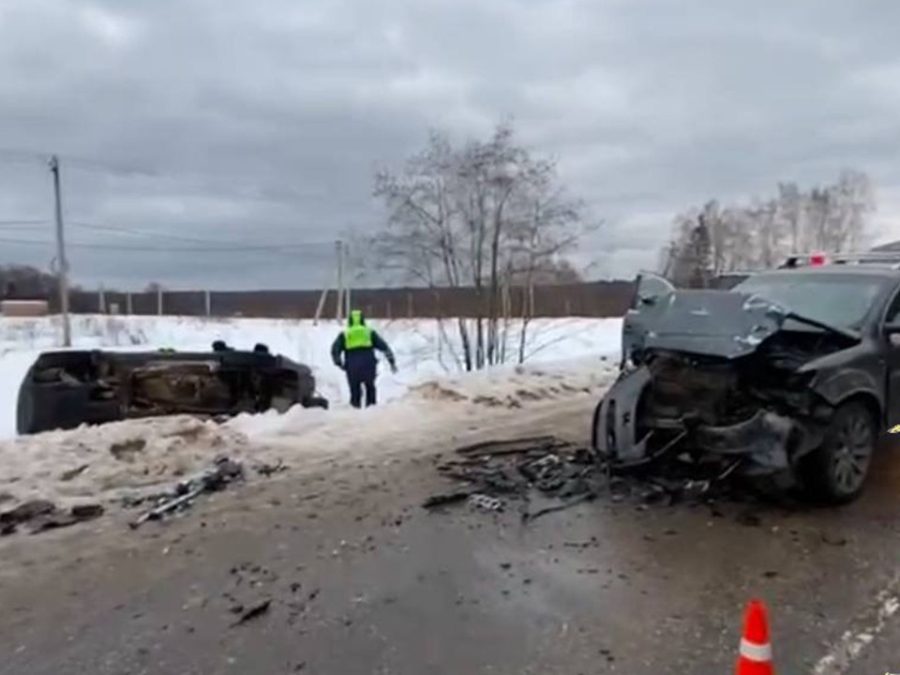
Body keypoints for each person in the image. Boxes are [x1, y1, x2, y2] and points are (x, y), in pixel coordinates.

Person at [331, 309, 397, 408]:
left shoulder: (345, 334)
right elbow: (384, 347)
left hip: (352, 366)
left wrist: (339, 363)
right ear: (362, 320)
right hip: (369, 365)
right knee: (370, 388)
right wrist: (391, 362)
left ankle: (355, 411)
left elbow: (335, 350)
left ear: (350, 321)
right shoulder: (369, 332)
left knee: (354, 391)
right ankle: (371, 411)